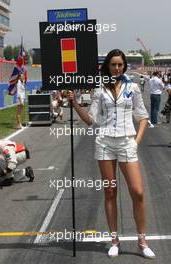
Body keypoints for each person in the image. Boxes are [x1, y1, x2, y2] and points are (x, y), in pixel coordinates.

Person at [68, 49, 156, 259]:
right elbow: (92, 120)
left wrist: (136, 142)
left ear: (124, 66)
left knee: (138, 192)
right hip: (105, 143)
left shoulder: (132, 87)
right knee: (110, 192)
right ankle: (114, 240)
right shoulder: (100, 90)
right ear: (107, 66)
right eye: (113, 65)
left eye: (120, 65)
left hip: (127, 142)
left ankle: (142, 241)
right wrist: (75, 103)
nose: (117, 68)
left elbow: (143, 117)